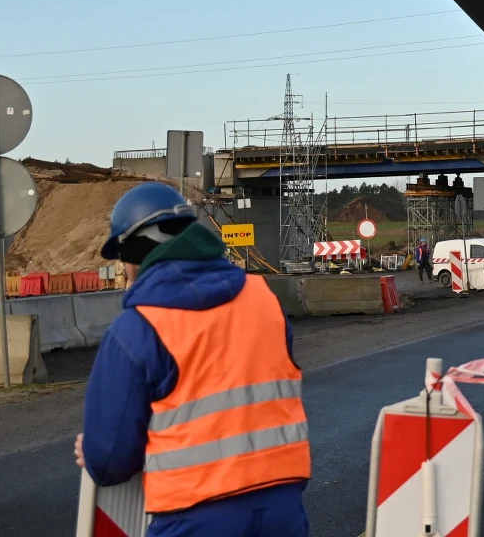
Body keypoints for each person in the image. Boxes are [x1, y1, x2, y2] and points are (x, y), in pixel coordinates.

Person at [73, 181, 310, 536]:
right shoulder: (264, 300)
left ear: (138, 249)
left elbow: (111, 461)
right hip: (283, 511)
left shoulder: (138, 328)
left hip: (193, 517)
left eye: (123, 257)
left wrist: (93, 454)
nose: (123, 270)